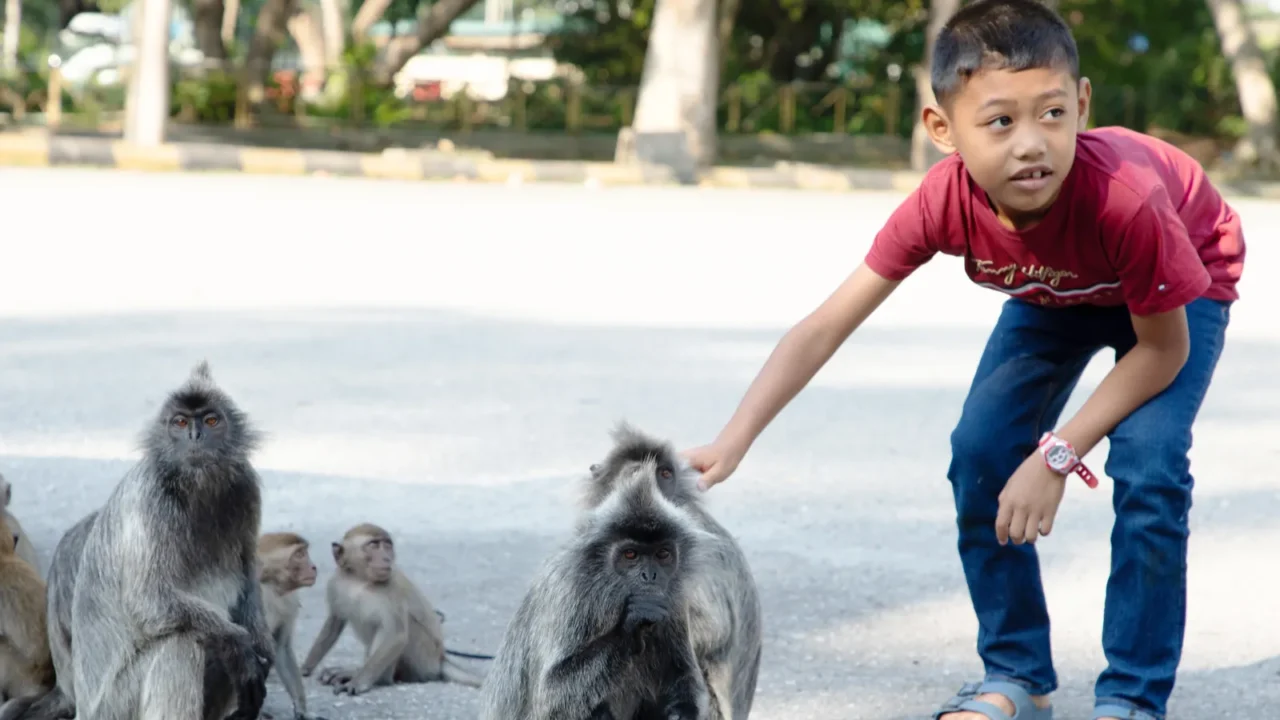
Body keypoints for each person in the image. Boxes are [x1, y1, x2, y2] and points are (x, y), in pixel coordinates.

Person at [681, 1, 1246, 719]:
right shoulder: (943, 199)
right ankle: (1017, 673)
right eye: (1000, 122)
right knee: (979, 448)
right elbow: (825, 326)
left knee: (1151, 464)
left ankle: (1132, 697)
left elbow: (1162, 352)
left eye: (1052, 114)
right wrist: (733, 440)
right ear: (943, 130)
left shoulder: (1123, 200)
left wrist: (1055, 457)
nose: (1032, 144)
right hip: (1058, 290)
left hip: (1178, 288)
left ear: (1082, 104)